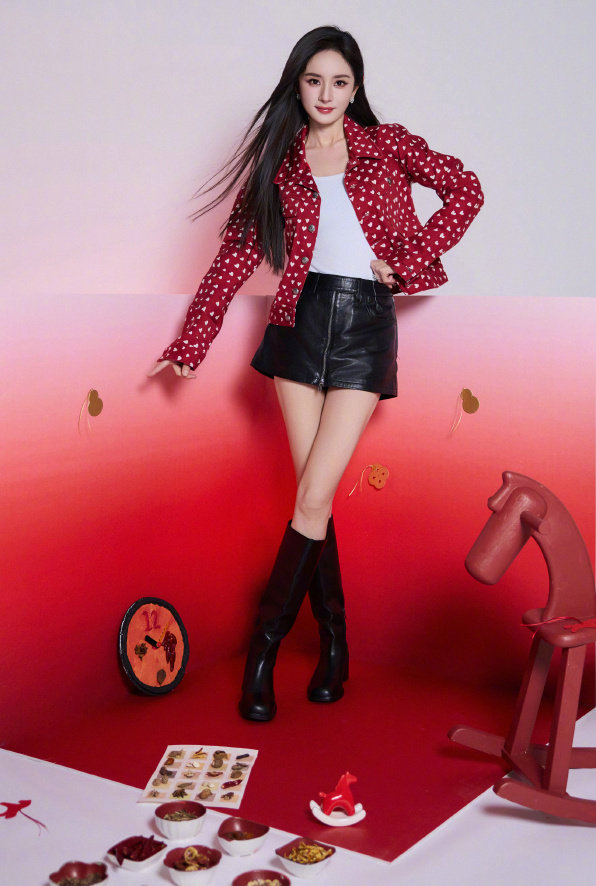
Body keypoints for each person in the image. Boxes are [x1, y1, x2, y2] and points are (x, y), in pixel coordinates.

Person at [150, 25, 483, 721]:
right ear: (296, 86)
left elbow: (467, 190)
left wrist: (410, 262)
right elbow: (235, 255)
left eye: (339, 82)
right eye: (313, 81)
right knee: (315, 499)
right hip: (296, 326)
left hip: (364, 328)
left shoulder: (387, 146)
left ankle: (262, 651)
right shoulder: (281, 162)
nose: (326, 94)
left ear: (355, 88)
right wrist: (191, 343)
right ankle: (335, 643)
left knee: (311, 496)